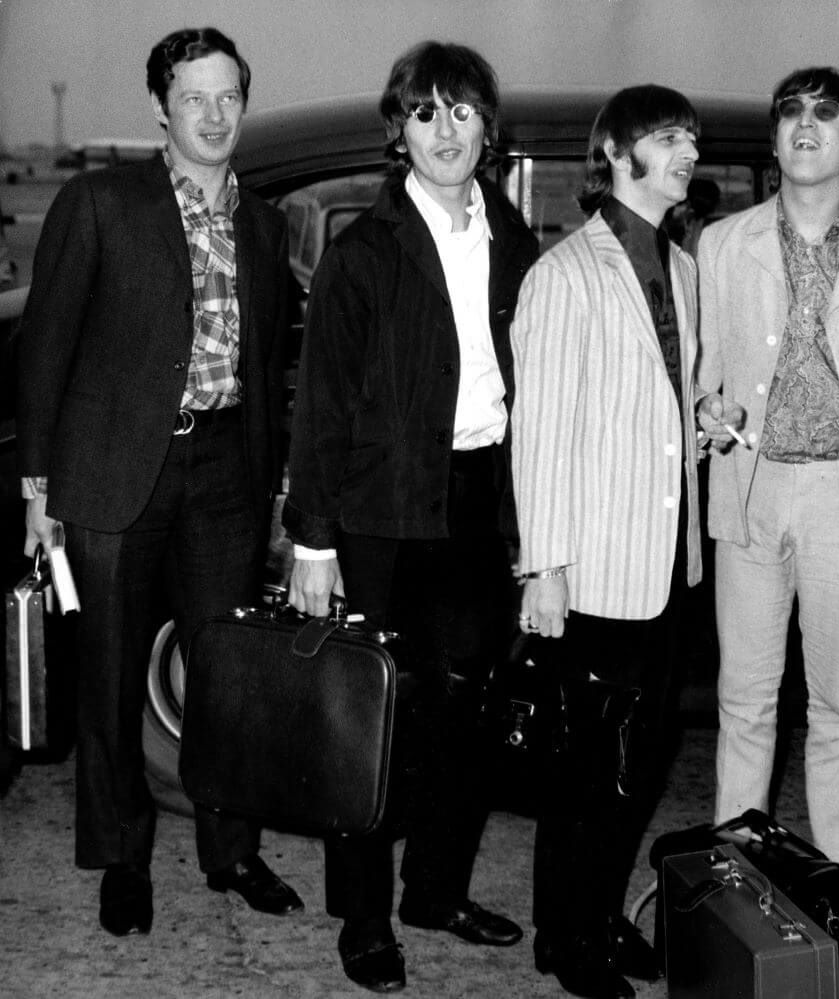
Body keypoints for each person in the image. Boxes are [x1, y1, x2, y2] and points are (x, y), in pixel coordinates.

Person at [17, 27, 301, 937]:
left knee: (226, 675)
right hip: (110, 471)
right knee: (107, 679)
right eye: (194, 99)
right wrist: (37, 489)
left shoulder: (263, 222)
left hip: (226, 472)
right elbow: (45, 349)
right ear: (159, 109)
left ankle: (231, 849)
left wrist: (274, 487)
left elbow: (266, 364)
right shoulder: (100, 202)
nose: (214, 117)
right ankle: (120, 859)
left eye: (229, 98)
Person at [282, 41, 539, 993]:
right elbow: (322, 407)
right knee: (368, 725)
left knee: (466, 716)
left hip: (478, 505)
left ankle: (436, 889)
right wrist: (313, 539)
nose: (446, 131)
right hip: (380, 516)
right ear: (401, 130)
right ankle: (365, 918)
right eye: (426, 113)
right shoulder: (364, 252)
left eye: (463, 112)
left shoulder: (515, 241)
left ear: (486, 129)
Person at [696, 66, 839, 935]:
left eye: (826, 115)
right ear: (773, 140)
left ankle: (836, 875)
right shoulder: (721, 244)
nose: (806, 126)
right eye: (791, 113)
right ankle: (732, 870)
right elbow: (699, 369)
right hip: (752, 492)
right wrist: (705, 408)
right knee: (745, 698)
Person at [511, 85, 727, 999]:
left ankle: (597, 913)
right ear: (617, 152)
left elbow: (657, 406)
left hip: (667, 567)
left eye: (691, 138)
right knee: (582, 773)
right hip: (593, 570)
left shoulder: (679, 268)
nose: (688, 151)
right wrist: (544, 566)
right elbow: (543, 432)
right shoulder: (565, 274)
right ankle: (564, 937)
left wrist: (703, 418)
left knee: (636, 770)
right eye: (670, 137)